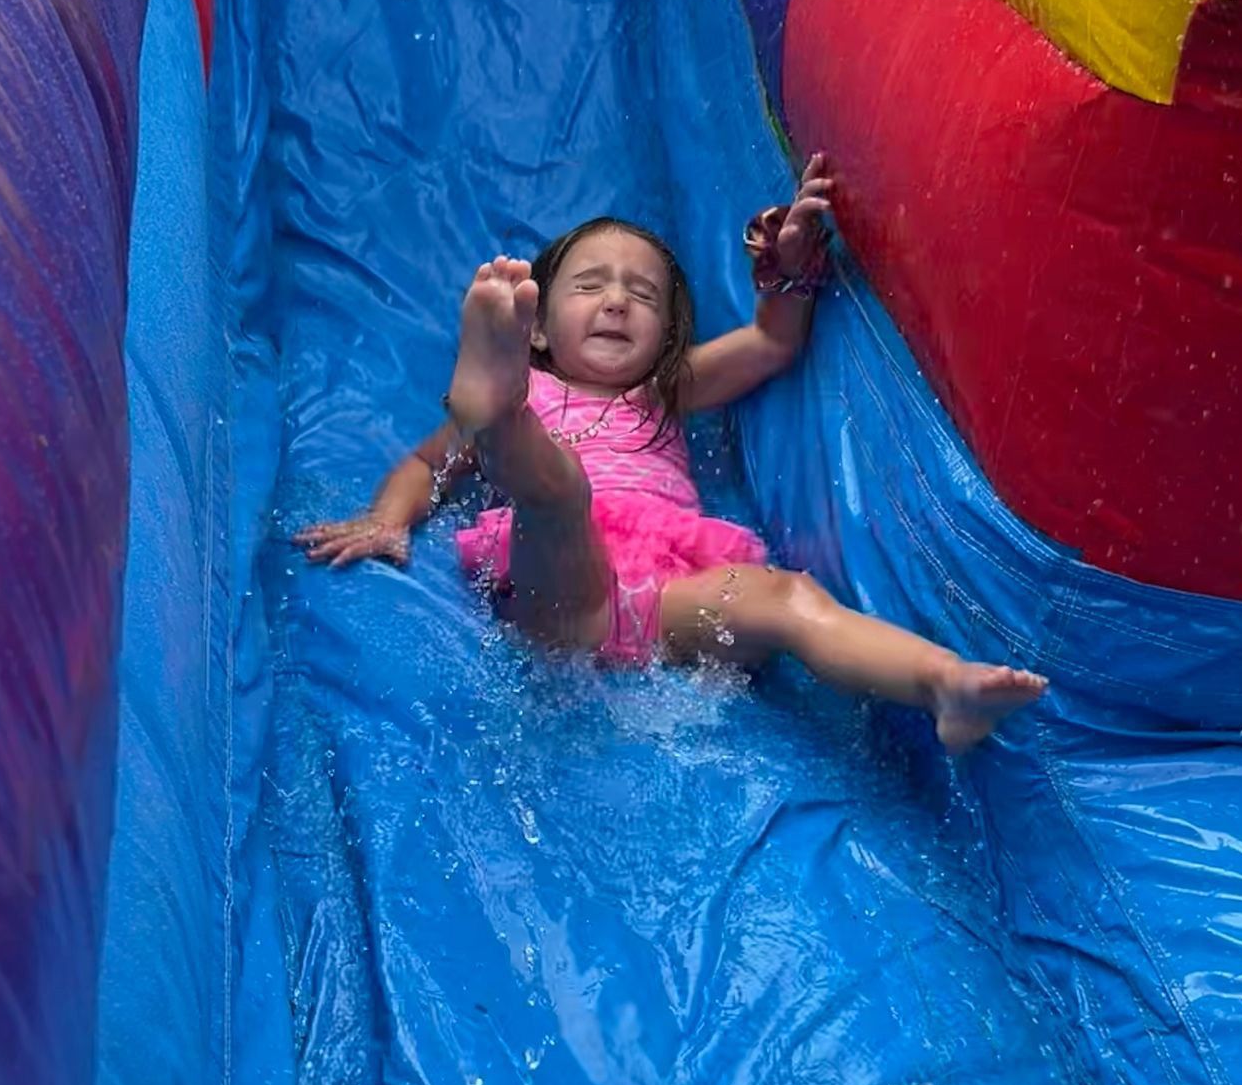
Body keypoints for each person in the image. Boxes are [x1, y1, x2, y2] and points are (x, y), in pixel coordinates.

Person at [295, 160, 1046, 752]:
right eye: (590, 285)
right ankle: (495, 417)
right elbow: (426, 468)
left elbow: (773, 342)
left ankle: (943, 684)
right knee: (560, 496)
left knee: (787, 599)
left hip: (657, 603)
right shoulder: (545, 395)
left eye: (643, 296)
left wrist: (790, 266)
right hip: (562, 588)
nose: (618, 301)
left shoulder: (662, 393)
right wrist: (387, 519)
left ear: (664, 336)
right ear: (539, 333)